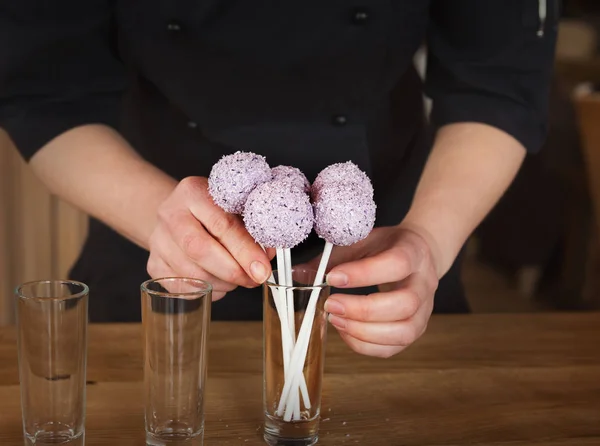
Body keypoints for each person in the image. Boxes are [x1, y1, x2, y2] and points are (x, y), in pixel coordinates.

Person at [0, 1, 558, 358]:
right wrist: (161, 221)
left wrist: (431, 240)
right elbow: (47, 95)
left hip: (390, 252)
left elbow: (498, 84)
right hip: (156, 250)